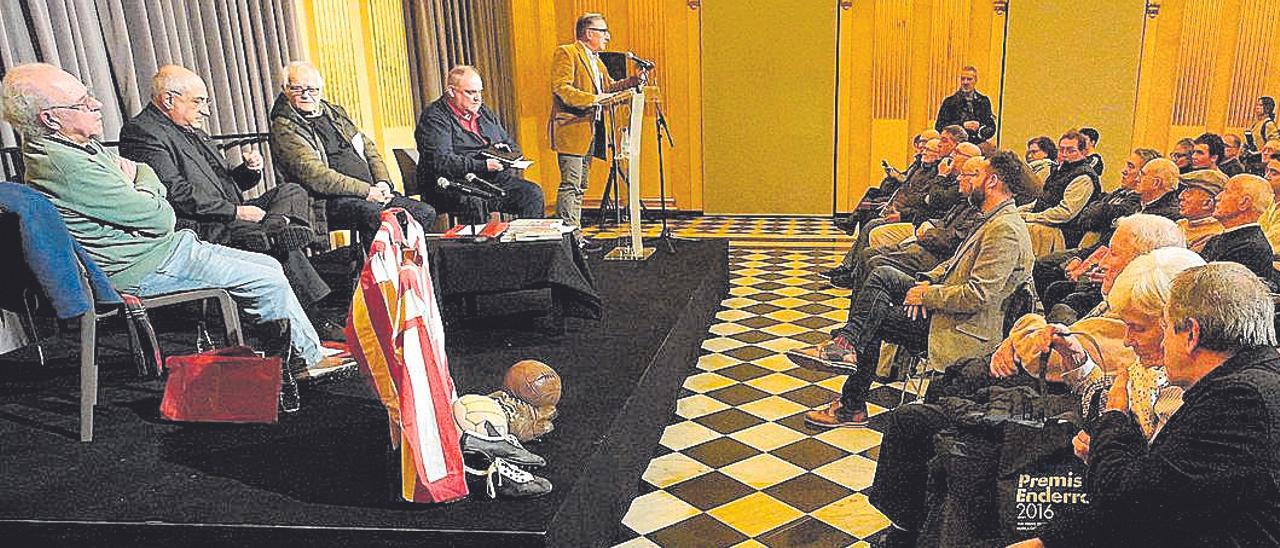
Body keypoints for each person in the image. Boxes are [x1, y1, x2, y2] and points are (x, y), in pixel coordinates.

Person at [0, 63, 347, 379]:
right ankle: (303, 360)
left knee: (271, 261)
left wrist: (243, 173)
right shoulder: (67, 163)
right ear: (50, 118)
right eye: (82, 102)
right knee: (264, 276)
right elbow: (160, 213)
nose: (97, 104)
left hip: (164, 246)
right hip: (148, 262)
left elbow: (164, 190)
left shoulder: (77, 147)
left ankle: (299, 351)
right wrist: (146, 179)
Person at [868, 215, 1187, 547]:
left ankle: (911, 532)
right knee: (948, 391)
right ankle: (917, 526)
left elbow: (1040, 358)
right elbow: (1090, 376)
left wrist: (1109, 425)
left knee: (923, 421)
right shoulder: (1129, 316)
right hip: (1051, 407)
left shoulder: (1155, 346)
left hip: (1053, 427)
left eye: (1114, 253)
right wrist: (1074, 359)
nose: (1102, 260)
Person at [1019, 262, 1280, 547]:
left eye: (1165, 329)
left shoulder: (1240, 400)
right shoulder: (1248, 381)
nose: (1132, 341)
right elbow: (1164, 490)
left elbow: (1130, 498)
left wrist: (1114, 418)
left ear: (1191, 335)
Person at [788, 151, 1034, 428]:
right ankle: (846, 344)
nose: (963, 180)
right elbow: (951, 265)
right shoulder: (992, 218)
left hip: (967, 327)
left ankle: (851, 398)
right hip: (949, 307)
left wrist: (926, 297)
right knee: (883, 275)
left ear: (992, 182)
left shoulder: (1005, 230)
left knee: (876, 317)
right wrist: (925, 281)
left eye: (975, 175)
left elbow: (977, 296)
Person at [119, 65, 339, 337]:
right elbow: (174, 193)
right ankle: (314, 318)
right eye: (199, 101)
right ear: (168, 99)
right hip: (202, 225)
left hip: (230, 214)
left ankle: (274, 227)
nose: (206, 110)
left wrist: (249, 172)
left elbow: (227, 185)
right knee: (279, 246)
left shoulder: (192, 128)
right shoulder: (143, 133)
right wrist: (236, 212)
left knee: (291, 190)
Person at [269, 61, 436, 244]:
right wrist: (366, 191)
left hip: (370, 192)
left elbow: (369, 149)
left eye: (312, 89)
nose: (306, 95)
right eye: (297, 89)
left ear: (320, 90)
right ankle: (376, 270)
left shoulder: (335, 113)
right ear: (285, 89)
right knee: (375, 215)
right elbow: (317, 176)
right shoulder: (284, 127)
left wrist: (382, 183)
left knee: (424, 212)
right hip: (325, 202)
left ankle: (404, 267)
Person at [549, 12, 646, 251]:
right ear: (589, 33)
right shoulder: (567, 53)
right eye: (603, 32)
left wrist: (633, 81)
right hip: (571, 129)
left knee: (580, 185)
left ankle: (575, 234)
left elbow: (609, 87)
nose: (608, 37)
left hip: (589, 131)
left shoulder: (596, 59)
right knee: (571, 185)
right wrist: (594, 99)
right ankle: (569, 238)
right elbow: (562, 88)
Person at [413, 65, 544, 222]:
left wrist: (505, 155)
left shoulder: (484, 112)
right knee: (475, 202)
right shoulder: (434, 118)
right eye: (470, 92)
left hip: (491, 180)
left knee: (532, 193)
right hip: (452, 183)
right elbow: (441, 161)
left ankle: (528, 245)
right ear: (451, 91)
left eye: (479, 92)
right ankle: (480, 246)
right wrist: (483, 164)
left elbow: (511, 145)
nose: (477, 98)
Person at [1021, 130, 1101, 256]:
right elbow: (1042, 201)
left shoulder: (1084, 177)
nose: (1064, 154)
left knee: (1020, 229)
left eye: (1070, 150)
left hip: (1064, 233)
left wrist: (1030, 217)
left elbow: (1065, 213)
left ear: (1083, 152)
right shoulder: (1058, 171)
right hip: (1045, 222)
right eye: (1061, 150)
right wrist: (1019, 211)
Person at [1202, 173, 1276, 282]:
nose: (1217, 197)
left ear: (1244, 203)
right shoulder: (1221, 239)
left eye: (1226, 191)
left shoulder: (1250, 248)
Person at [934, 66, 995, 143]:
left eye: (969, 79)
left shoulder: (984, 101)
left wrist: (980, 130)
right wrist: (963, 125)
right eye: (963, 79)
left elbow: (991, 126)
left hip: (978, 143)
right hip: (955, 144)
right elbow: (939, 126)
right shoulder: (949, 102)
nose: (965, 82)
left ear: (975, 80)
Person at [1175, 169, 1226, 252]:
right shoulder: (1181, 223)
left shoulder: (1214, 234)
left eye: (1189, 193)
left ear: (1208, 203)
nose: (1181, 196)